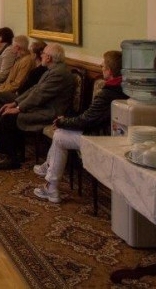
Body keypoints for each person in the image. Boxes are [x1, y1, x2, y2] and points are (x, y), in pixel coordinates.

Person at [33, 51, 126, 203]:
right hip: (109, 133)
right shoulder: (124, 87)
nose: (101, 66)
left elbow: (87, 120)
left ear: (109, 71)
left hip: (102, 138)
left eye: (103, 64)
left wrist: (63, 122)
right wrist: (66, 122)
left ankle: (51, 187)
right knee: (61, 132)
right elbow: (90, 117)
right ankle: (49, 172)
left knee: (59, 135)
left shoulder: (109, 93)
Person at [0, 43, 76, 170]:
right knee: (7, 110)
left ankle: (12, 159)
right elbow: (35, 89)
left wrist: (18, 109)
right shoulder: (53, 70)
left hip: (51, 113)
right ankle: (15, 154)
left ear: (49, 58)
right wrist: (16, 103)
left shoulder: (59, 73)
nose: (41, 56)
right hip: (43, 107)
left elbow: (39, 95)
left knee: (9, 117)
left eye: (43, 54)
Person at [0, 39, 47, 143]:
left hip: (22, 97)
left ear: (36, 54)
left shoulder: (33, 66)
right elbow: (13, 81)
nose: (30, 53)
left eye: (31, 52)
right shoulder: (25, 61)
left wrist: (6, 93)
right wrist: (1, 89)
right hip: (20, 95)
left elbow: (23, 86)